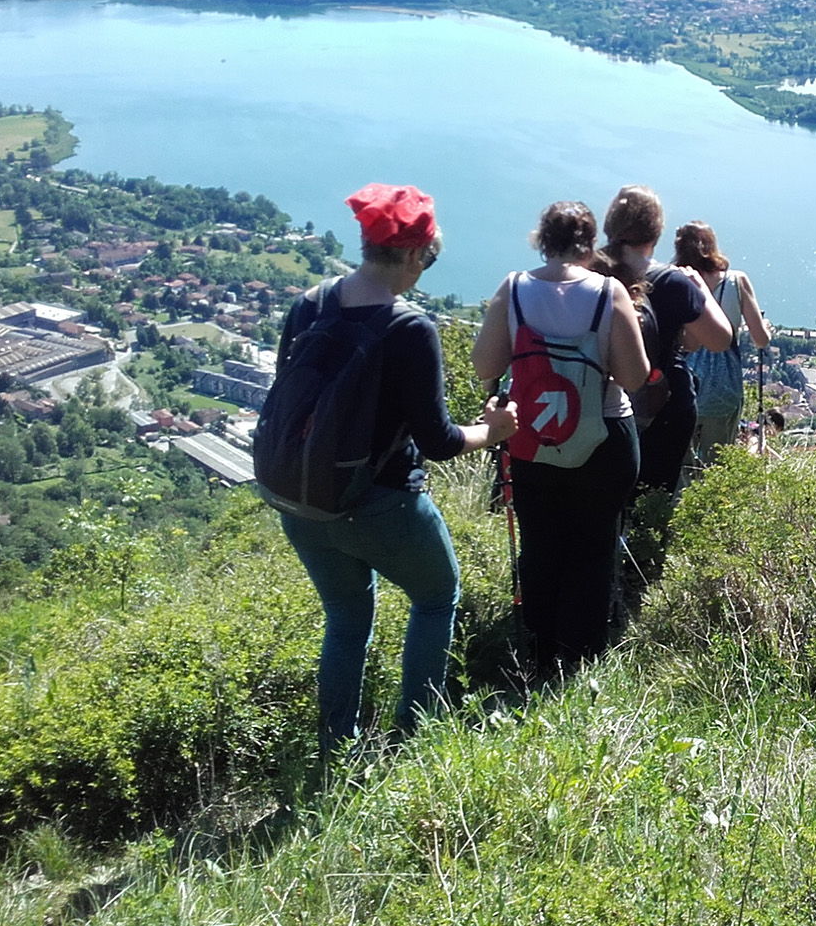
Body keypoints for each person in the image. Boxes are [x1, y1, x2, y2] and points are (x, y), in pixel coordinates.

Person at [276, 183, 517, 760]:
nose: (425, 272)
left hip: (301, 502)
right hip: (382, 503)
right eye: (428, 259)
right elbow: (436, 441)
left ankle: (337, 746)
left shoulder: (310, 303)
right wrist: (494, 432)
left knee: (346, 615)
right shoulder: (409, 327)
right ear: (412, 254)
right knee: (437, 598)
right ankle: (413, 740)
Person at [472, 200, 649, 676]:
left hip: (533, 441)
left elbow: (486, 366)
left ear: (540, 240)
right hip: (605, 438)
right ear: (591, 246)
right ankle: (580, 658)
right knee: (593, 547)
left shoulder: (513, 291)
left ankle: (539, 648)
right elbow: (634, 377)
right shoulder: (609, 293)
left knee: (541, 544)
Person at [599, 186, 731, 495]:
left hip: (594, 398)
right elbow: (720, 339)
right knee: (651, 502)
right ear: (655, 233)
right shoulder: (672, 281)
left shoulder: (587, 271)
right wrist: (700, 288)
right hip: (662, 405)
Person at [673, 220, 771, 469]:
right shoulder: (736, 282)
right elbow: (760, 339)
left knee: (682, 465)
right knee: (717, 466)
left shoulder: (674, 281)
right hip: (723, 387)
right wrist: (765, 328)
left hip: (684, 384)